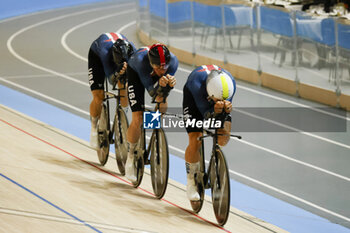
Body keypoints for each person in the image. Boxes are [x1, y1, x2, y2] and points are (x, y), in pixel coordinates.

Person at [125, 43, 179, 182]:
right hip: (137, 75)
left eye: (165, 67)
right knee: (138, 117)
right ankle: (130, 156)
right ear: (151, 63)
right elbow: (152, 92)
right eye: (158, 67)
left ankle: (153, 127)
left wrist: (167, 85)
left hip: (153, 77)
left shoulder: (173, 62)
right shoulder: (141, 62)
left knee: (162, 98)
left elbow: (160, 95)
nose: (163, 70)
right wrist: (160, 84)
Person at [182, 65, 236, 201]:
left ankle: (215, 157)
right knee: (195, 139)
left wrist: (224, 108)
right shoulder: (196, 84)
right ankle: (191, 180)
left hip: (216, 98)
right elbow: (206, 114)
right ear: (210, 94)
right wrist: (213, 112)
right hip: (194, 101)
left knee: (224, 137)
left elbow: (224, 110)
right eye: (217, 100)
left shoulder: (230, 84)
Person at [88, 32, 136, 149]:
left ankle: (122, 118)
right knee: (99, 96)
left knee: (124, 85)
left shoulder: (133, 51)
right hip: (97, 57)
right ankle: (94, 128)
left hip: (120, 57)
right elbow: (111, 79)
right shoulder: (105, 53)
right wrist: (117, 72)